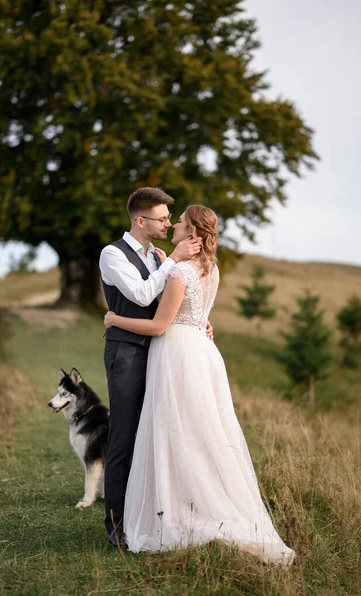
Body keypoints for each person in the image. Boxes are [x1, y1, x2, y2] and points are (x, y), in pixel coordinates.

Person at [104, 205, 295, 566]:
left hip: (176, 354)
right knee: (199, 433)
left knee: (175, 432)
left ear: (191, 231)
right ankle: (187, 502)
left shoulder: (179, 270)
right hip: (201, 352)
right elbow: (197, 314)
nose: (172, 223)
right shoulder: (210, 267)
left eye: (179, 221)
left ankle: (178, 513)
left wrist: (116, 319)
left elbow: (160, 325)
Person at [99, 187, 206, 548]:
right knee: (124, 437)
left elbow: (169, 301)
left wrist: (198, 321)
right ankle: (116, 527)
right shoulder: (112, 254)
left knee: (155, 437)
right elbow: (143, 295)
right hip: (127, 355)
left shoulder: (157, 257)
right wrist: (174, 259)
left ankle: (148, 516)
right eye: (161, 218)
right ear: (140, 220)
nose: (167, 223)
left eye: (168, 218)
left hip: (161, 355)